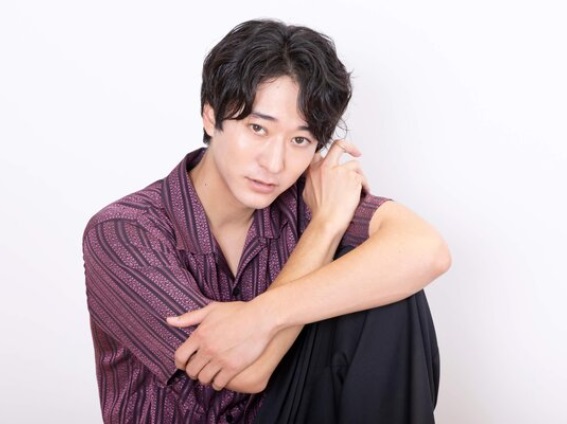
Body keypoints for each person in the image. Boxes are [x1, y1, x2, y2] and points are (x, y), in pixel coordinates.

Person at [83, 18, 451, 424]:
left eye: (299, 140)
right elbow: (245, 373)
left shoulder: (308, 198)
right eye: (257, 128)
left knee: (389, 290)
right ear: (211, 116)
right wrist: (324, 228)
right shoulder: (123, 232)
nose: (275, 163)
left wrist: (262, 313)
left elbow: (426, 250)